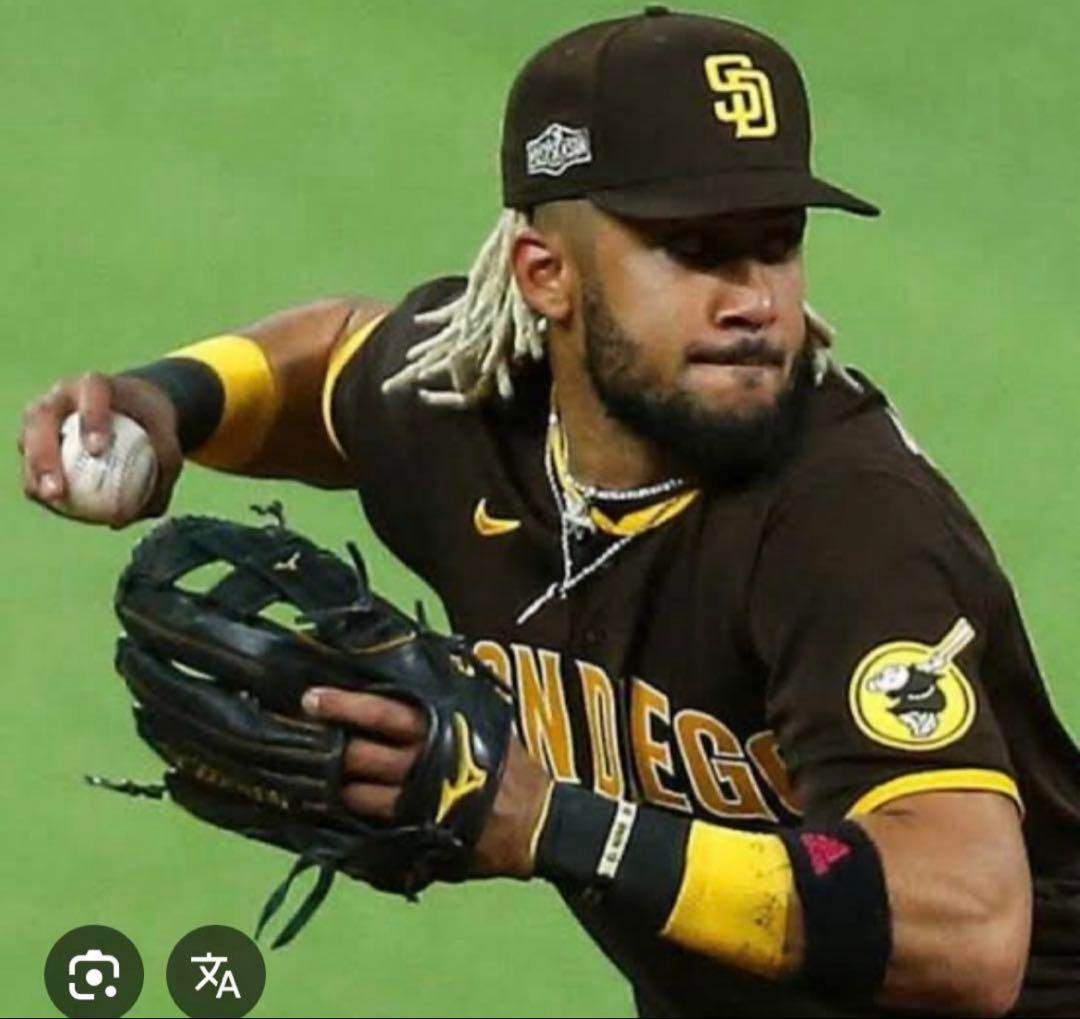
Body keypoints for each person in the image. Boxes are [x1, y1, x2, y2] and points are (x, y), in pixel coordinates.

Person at [18, 8, 1080, 1017]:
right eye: (694, 249)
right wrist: (172, 401)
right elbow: (338, 355)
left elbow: (970, 931)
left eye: (777, 242)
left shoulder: (845, 524)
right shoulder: (476, 408)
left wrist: (556, 823)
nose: (754, 299)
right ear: (544, 274)